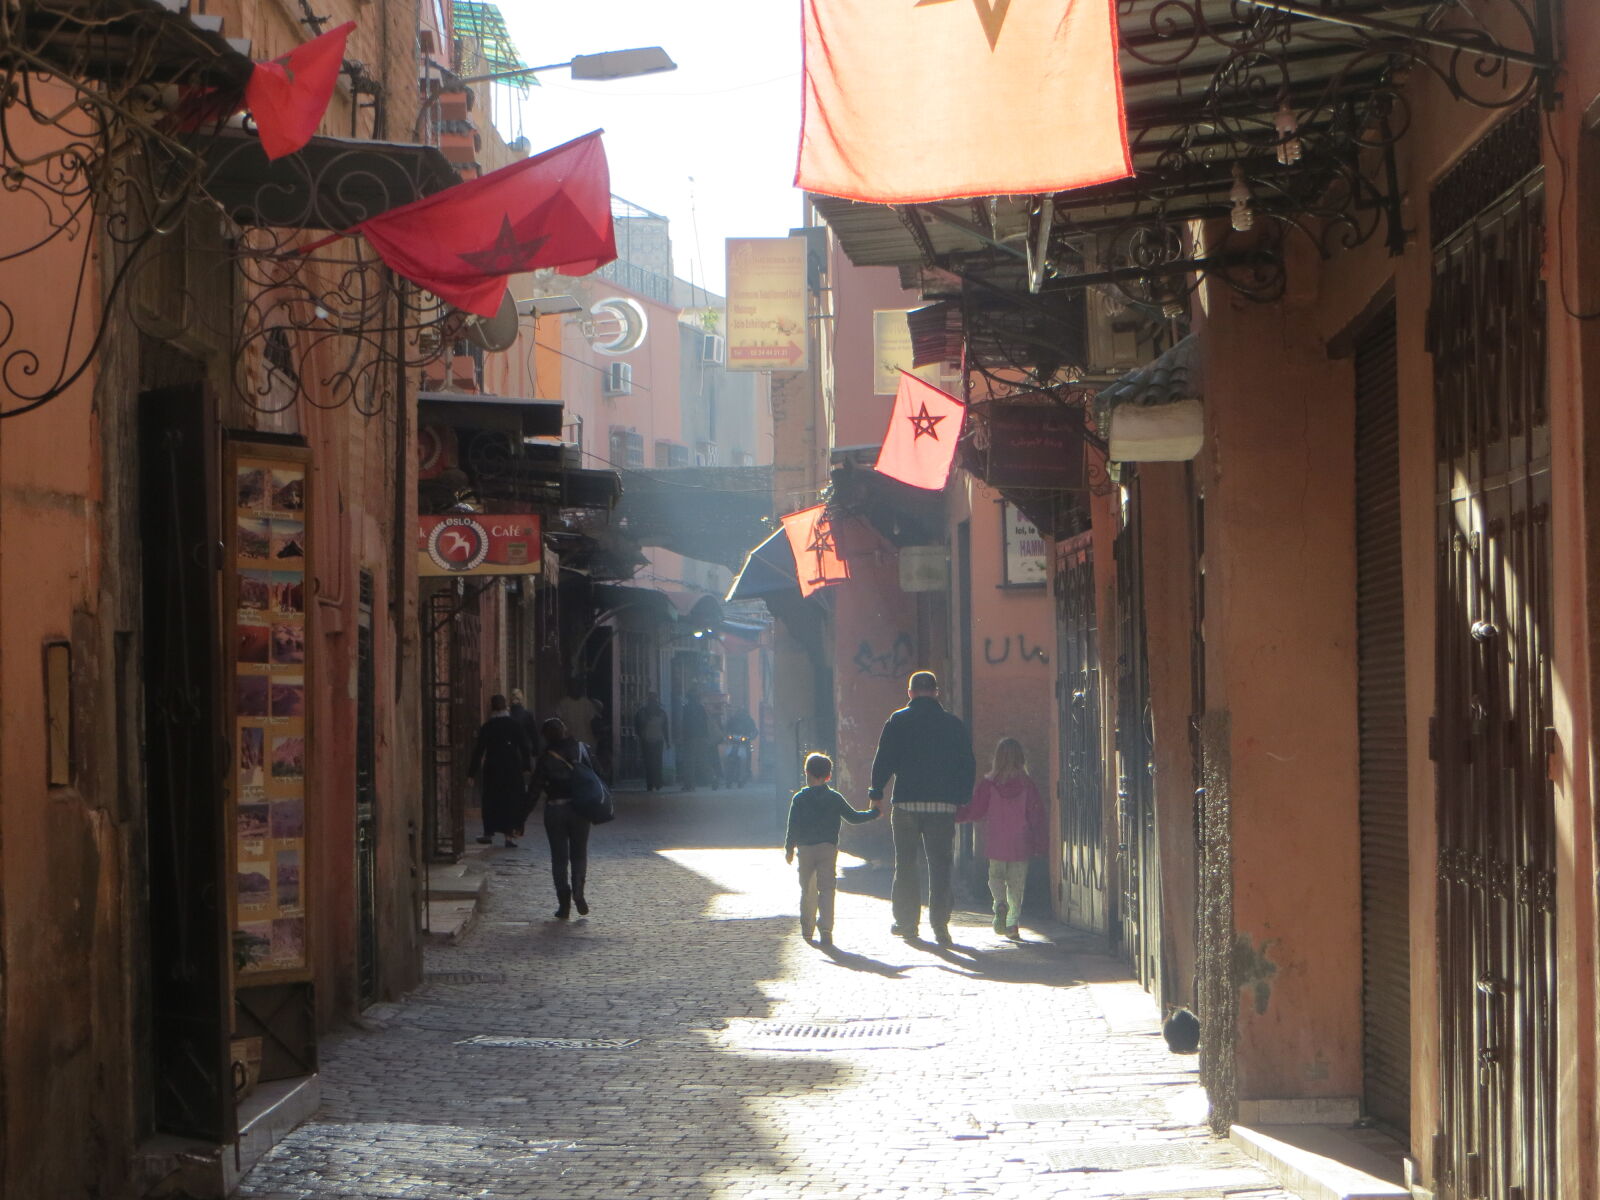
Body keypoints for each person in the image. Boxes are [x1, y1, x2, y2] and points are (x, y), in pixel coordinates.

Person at [867, 670, 977, 946]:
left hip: (906, 803)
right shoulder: (953, 724)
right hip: (942, 805)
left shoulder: (898, 720)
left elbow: (884, 758)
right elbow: (967, 763)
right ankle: (940, 925)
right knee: (940, 866)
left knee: (906, 865)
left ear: (910, 693)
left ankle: (907, 923)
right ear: (937, 693)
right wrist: (962, 797)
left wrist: (876, 792)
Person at [784, 752, 879, 946]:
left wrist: (789, 848)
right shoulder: (834, 798)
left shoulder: (799, 798)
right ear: (828, 776)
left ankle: (807, 928)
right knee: (827, 889)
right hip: (828, 848)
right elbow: (853, 817)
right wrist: (873, 813)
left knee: (807, 889)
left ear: (806, 773)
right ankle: (826, 929)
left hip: (805, 849)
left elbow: (792, 825)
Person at [956, 737, 1046, 940]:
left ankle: (999, 903)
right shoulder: (1027, 785)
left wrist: (957, 815)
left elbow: (976, 810)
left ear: (996, 758)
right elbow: (1036, 816)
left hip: (996, 840)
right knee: (1017, 884)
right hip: (1020, 842)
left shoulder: (989, 785)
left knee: (995, 877)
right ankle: (1013, 924)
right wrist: (1040, 843)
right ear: (1022, 758)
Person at [529, 716, 593, 920]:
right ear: (565, 730)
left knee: (559, 858)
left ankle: (563, 903)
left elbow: (534, 790)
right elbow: (599, 774)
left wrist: (520, 818)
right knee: (579, 854)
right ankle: (578, 892)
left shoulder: (546, 757)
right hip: (580, 809)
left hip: (555, 809)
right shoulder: (582, 749)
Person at [467, 694, 533, 848]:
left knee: (491, 800)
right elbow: (524, 747)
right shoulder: (514, 725)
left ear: (492, 708)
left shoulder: (488, 726)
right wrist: (526, 767)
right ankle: (509, 836)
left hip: (493, 768)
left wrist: (471, 773)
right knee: (510, 800)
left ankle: (488, 833)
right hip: (512, 768)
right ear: (506, 707)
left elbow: (479, 750)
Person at [677, 685, 715, 792]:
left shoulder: (686, 708)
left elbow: (684, 724)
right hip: (702, 737)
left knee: (689, 762)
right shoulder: (701, 708)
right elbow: (705, 723)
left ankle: (689, 785)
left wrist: (681, 737)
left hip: (690, 738)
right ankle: (713, 778)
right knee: (703, 761)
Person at [633, 691, 670, 791]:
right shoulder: (662, 713)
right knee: (657, 762)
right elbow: (665, 729)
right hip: (658, 740)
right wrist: (667, 742)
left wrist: (640, 736)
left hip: (647, 741)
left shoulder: (642, 712)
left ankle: (650, 784)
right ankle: (657, 783)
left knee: (649, 763)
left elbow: (637, 727)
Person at [725, 707, 758, 786]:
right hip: (733, 743)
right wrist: (728, 735)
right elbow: (727, 728)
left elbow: (754, 731)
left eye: (742, 713)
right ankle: (728, 777)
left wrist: (749, 736)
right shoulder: (732, 720)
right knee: (726, 756)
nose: (740, 714)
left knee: (746, 756)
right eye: (739, 713)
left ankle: (745, 773)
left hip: (744, 743)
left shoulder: (748, 720)